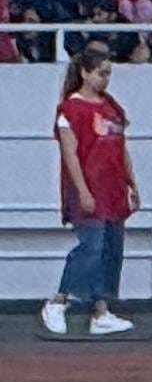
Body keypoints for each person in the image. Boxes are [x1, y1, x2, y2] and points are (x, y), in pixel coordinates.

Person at [41, 41, 133, 340]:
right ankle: (60, 300)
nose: (105, 80)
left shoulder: (112, 107)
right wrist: (82, 191)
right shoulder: (69, 109)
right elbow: (70, 154)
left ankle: (101, 310)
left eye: (108, 74)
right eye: (101, 73)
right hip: (89, 187)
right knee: (90, 247)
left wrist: (132, 183)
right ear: (84, 73)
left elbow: (122, 148)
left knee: (110, 249)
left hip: (113, 187)